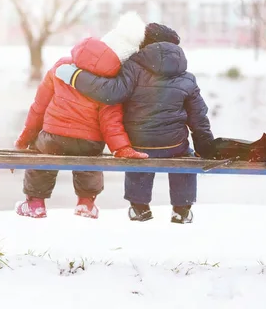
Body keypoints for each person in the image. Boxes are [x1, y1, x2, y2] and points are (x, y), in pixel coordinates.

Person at [55, 13, 215, 223]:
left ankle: (139, 208)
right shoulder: (186, 77)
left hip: (139, 144)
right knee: (187, 156)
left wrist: (76, 76)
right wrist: (206, 146)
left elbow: (110, 92)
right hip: (174, 144)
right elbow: (198, 117)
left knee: (138, 150)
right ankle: (182, 210)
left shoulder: (133, 68)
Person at [14, 36, 148, 219]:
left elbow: (39, 107)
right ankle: (86, 203)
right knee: (91, 157)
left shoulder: (59, 68)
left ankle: (35, 203)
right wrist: (121, 147)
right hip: (88, 142)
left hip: (54, 137)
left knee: (41, 155)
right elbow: (111, 122)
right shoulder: (108, 83)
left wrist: (24, 139)